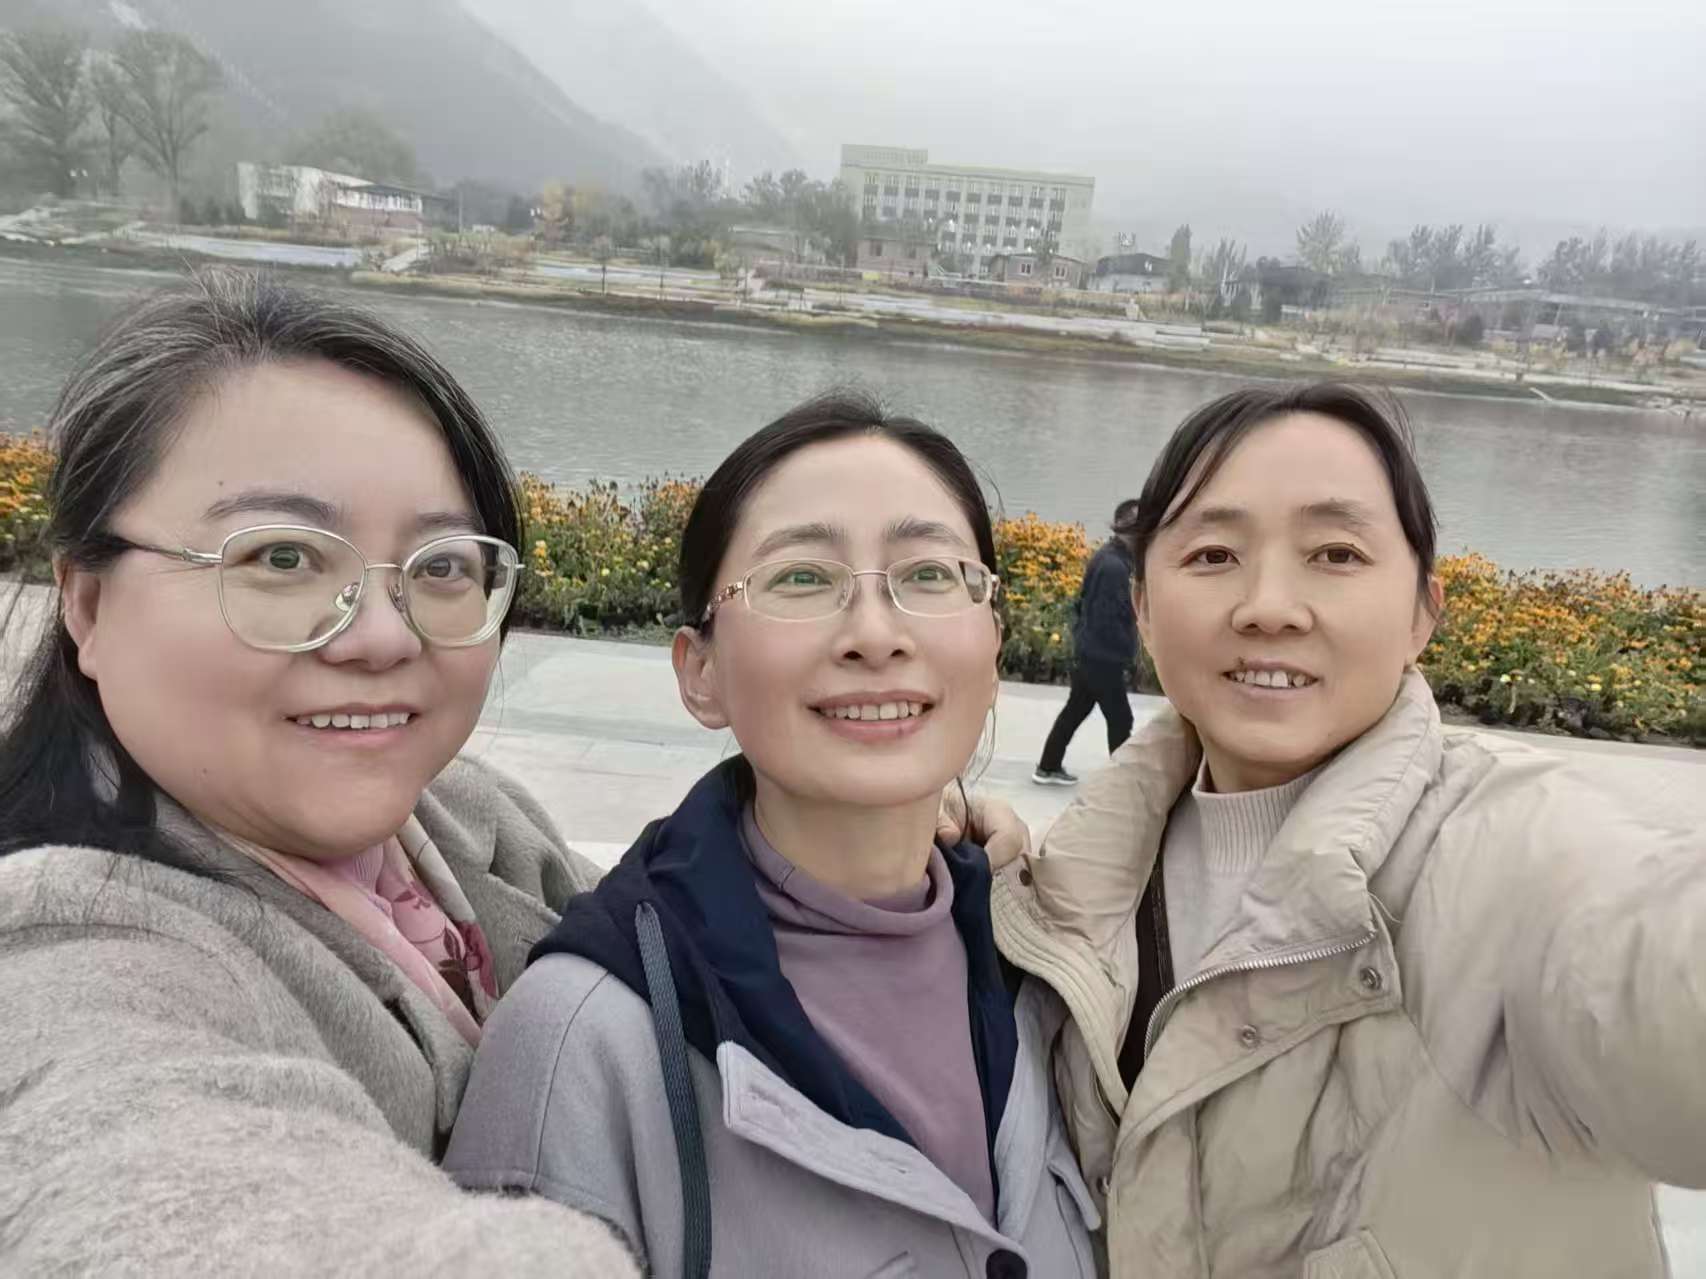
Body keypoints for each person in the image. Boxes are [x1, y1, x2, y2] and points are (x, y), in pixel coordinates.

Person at [0, 272, 1026, 1274]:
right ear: (85, 601)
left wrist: (885, 825)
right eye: (279, 558)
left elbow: (669, 918)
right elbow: (146, 1177)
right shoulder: (79, 960)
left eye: (441, 566)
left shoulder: (459, 826)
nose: (381, 636)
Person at [990, 381, 1706, 1277]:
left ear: (1422, 613)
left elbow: (1648, 966)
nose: (1269, 605)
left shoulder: (1515, 857)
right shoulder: (1074, 881)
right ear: (1142, 606)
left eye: (1336, 552)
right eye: (1213, 554)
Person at [445, 392, 1100, 1279]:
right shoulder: (583, 1042)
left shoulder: (1057, 972)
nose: (876, 634)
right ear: (700, 671)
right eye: (801, 579)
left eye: (929, 574)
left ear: (993, 646)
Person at [1032, 498, 1141, 785]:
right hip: (1102, 657)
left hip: (1090, 651)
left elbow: (1082, 606)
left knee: (1076, 710)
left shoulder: (1110, 558)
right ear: (1128, 530)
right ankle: (1120, 782)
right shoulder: (1114, 567)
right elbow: (1109, 619)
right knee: (1121, 719)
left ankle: (1047, 766)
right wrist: (1126, 656)